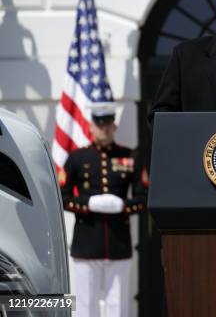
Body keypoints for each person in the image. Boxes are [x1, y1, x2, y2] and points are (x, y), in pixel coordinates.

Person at [59, 103, 149, 317]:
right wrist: (87, 204)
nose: (104, 129)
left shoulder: (131, 157)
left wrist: (123, 206)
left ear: (114, 126)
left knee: (118, 306)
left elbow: (143, 198)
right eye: (99, 124)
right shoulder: (77, 158)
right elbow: (62, 197)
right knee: (85, 305)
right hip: (87, 243)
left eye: (108, 124)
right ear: (91, 127)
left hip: (118, 243)